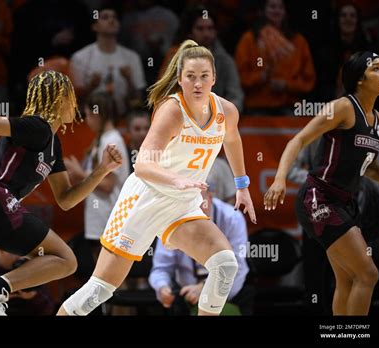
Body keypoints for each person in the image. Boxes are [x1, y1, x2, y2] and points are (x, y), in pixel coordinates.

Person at [58, 39, 257, 316]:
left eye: (204, 76)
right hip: (145, 199)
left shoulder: (227, 112)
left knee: (225, 266)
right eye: (190, 77)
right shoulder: (172, 110)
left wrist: (241, 185)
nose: (197, 84)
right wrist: (177, 180)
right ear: (180, 79)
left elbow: (232, 141)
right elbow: (142, 165)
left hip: (182, 204)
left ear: (214, 78)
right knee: (99, 290)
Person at [0, 70, 123, 316]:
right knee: (66, 260)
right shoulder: (37, 126)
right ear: (60, 99)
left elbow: (66, 199)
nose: (76, 104)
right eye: (71, 97)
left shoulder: (52, 144)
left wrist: (101, 171)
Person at [264, 52, 379, 315]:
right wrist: (279, 179)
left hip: (344, 203)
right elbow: (297, 140)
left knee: (346, 279)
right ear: (360, 80)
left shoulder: (376, 120)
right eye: (377, 69)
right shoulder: (343, 107)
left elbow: (370, 169)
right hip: (318, 198)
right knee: (368, 274)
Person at [149, 188, 251, 315]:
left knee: (229, 271)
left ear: (210, 197)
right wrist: (163, 288)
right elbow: (161, 268)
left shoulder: (232, 217)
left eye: (199, 202)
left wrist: (204, 288)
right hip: (186, 295)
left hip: (231, 293)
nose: (195, 209)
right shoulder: (173, 217)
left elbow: (237, 266)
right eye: (190, 203)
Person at [64, 92, 130, 260]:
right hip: (99, 217)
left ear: (96, 114)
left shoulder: (112, 140)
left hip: (108, 217)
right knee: (101, 275)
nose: (86, 120)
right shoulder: (102, 140)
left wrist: (79, 173)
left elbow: (107, 185)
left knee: (109, 274)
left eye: (87, 115)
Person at [126, 108, 151, 173]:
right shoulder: (123, 154)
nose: (142, 133)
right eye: (137, 129)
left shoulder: (158, 153)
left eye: (146, 128)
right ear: (128, 131)